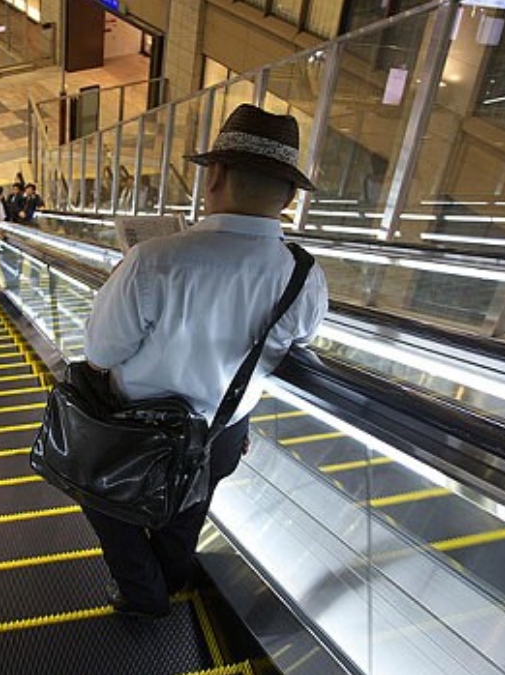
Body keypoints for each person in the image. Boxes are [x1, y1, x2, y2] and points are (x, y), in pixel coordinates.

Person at [81, 104, 329, 619]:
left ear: (214, 176)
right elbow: (301, 339)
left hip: (134, 432)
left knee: (108, 504)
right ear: (287, 197)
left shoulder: (156, 259)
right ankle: (168, 583)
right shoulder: (304, 276)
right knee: (186, 511)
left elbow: (102, 351)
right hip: (219, 433)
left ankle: (142, 597)